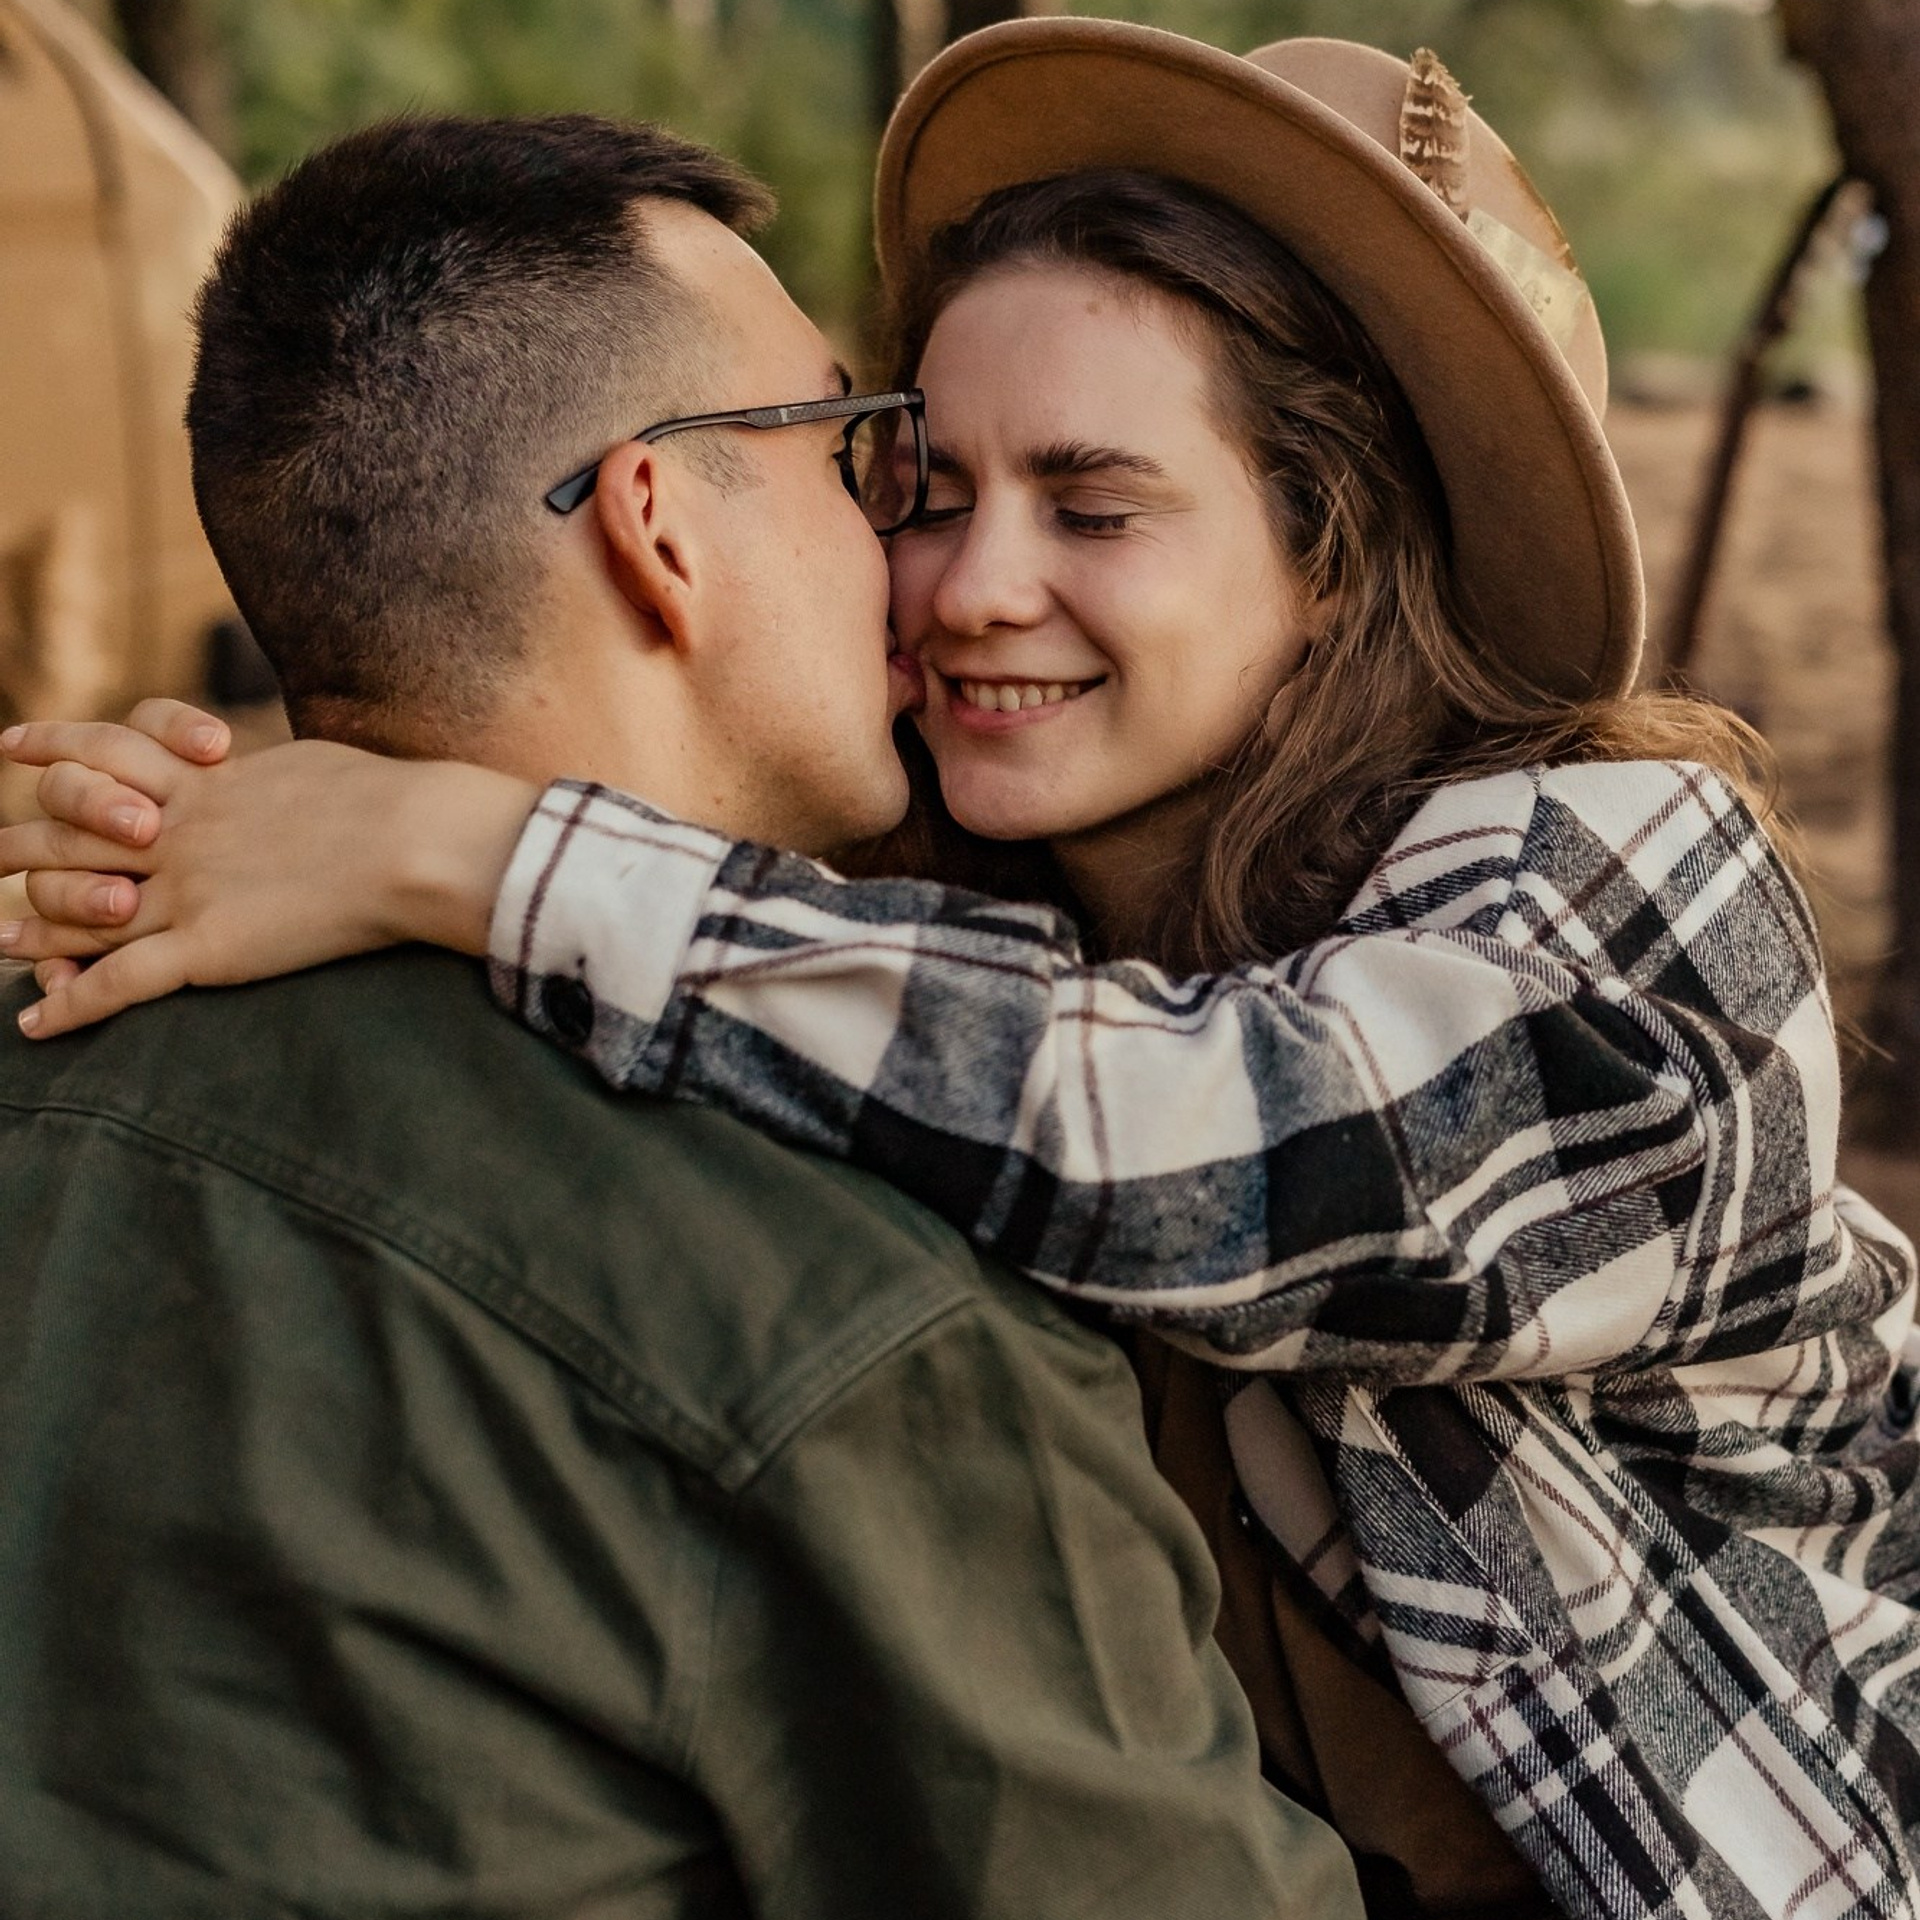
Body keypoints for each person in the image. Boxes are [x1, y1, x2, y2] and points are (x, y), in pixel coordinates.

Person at [6, 20, 1919, 1920]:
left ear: (1335, 551)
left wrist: (474, 848)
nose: (965, 585)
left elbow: (1245, 1145)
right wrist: (183, 819)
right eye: (915, 481)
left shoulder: (1621, 870)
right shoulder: (929, 895)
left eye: (1092, 507)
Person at [0, 109, 1370, 1919]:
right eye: (858, 454)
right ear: (658, 525)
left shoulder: (55, 1010)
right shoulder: (853, 1301)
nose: (930, 569)